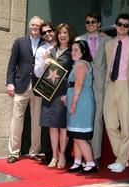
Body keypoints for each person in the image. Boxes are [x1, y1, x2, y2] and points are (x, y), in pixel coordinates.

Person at [103, 13, 129, 173]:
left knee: (126, 125)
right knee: (110, 124)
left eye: (126, 25)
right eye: (120, 24)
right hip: (110, 86)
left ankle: (121, 160)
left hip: (126, 87)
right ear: (116, 25)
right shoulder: (108, 45)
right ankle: (122, 157)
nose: (123, 27)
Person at [6, 16, 44, 163]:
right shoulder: (19, 42)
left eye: (38, 25)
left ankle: (34, 151)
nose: (35, 27)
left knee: (37, 121)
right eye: (33, 25)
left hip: (38, 87)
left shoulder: (45, 43)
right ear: (29, 26)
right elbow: (11, 64)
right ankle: (14, 152)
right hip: (21, 85)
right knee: (16, 120)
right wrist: (9, 83)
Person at [76, 13, 111, 163]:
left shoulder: (108, 40)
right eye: (87, 22)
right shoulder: (78, 40)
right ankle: (83, 155)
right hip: (83, 85)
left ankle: (94, 156)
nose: (90, 24)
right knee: (84, 119)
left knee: (97, 120)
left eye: (93, 22)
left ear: (98, 23)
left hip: (100, 85)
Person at [41, 23, 74, 169]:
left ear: (69, 35)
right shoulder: (51, 50)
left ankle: (62, 155)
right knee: (52, 126)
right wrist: (45, 61)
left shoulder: (72, 51)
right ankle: (54, 155)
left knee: (62, 126)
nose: (62, 35)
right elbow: (45, 72)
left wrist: (50, 61)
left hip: (63, 92)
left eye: (65, 32)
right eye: (60, 33)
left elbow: (72, 73)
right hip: (49, 91)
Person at [66, 40, 98, 173]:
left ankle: (91, 163)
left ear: (83, 52)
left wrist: (73, 103)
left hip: (81, 102)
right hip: (79, 99)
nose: (72, 52)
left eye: (76, 50)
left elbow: (78, 84)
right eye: (72, 50)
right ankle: (78, 162)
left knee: (79, 135)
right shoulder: (78, 64)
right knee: (76, 133)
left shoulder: (81, 64)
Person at [34, 21, 56, 164]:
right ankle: (48, 154)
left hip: (64, 87)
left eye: (49, 31)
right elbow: (37, 72)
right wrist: (44, 61)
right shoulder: (42, 50)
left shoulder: (63, 46)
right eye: (44, 33)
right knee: (48, 121)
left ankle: (64, 153)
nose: (47, 34)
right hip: (48, 87)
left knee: (62, 122)